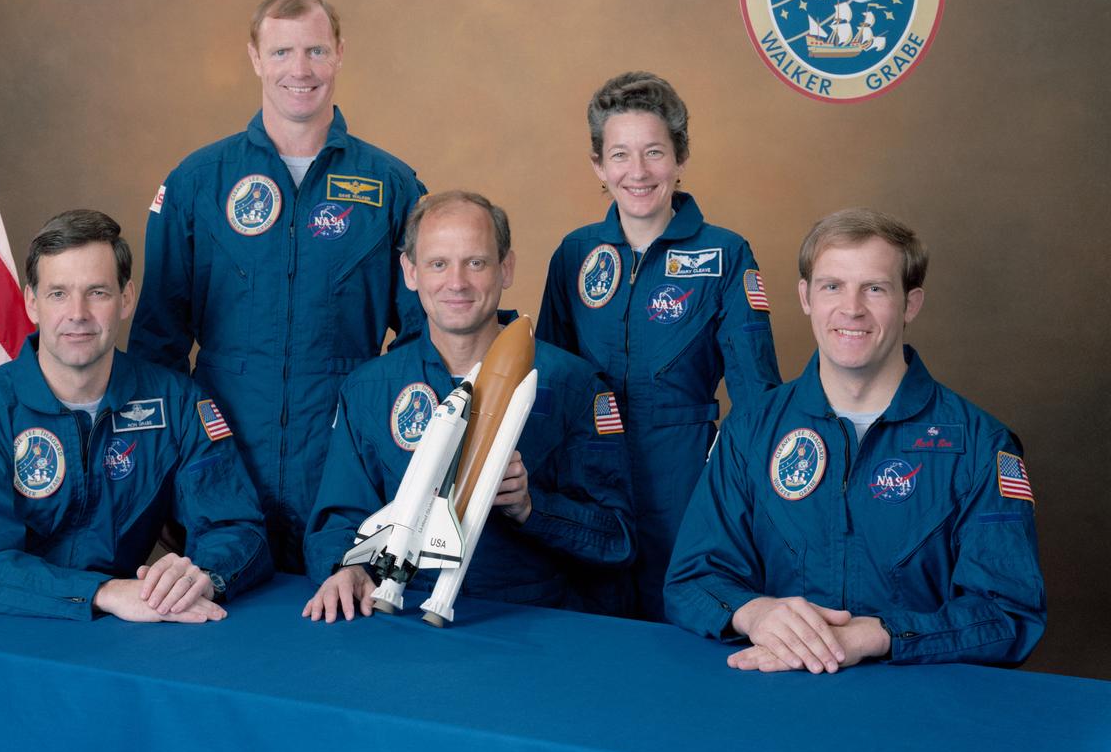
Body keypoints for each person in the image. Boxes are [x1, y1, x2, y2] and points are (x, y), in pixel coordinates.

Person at [663, 208, 1045, 670]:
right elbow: (692, 578)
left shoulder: (982, 447)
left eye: (875, 288)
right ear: (805, 297)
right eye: (832, 286)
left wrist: (882, 634)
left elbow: (1009, 616)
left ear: (911, 302)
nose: (852, 308)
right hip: (776, 707)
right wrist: (754, 612)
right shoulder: (750, 431)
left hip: (921, 713)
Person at [129, 0, 427, 573]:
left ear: (340, 54)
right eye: (283, 51)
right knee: (222, 640)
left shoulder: (391, 187)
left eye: (316, 50)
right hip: (220, 463)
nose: (300, 69)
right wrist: (160, 476)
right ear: (255, 58)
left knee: (345, 634)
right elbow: (156, 349)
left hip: (345, 466)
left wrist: (391, 451)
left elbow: (423, 343)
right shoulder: (197, 183)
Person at [0, 210, 273, 631]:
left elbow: (234, 524)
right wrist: (103, 592)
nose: (78, 313)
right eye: (58, 294)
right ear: (32, 301)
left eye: (98, 292)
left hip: (113, 630)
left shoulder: (175, 403)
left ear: (126, 298)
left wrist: (202, 577)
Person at [303, 191, 635, 621]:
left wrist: (531, 507)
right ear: (410, 271)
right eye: (438, 263)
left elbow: (619, 540)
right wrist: (346, 568)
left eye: (475, 262)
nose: (456, 282)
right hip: (399, 616)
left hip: (527, 622)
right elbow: (337, 520)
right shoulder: (369, 388)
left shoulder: (574, 385)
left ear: (506, 268)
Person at [537, 71, 780, 620]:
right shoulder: (574, 255)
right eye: (620, 155)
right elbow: (549, 384)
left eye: (654, 152)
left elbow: (758, 395)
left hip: (685, 477)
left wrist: (745, 499)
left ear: (680, 158)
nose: (638, 172)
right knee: (591, 632)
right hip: (589, 478)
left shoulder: (726, 254)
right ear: (598, 165)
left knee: (683, 624)